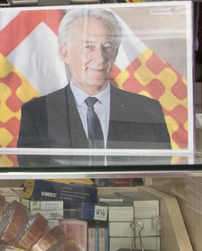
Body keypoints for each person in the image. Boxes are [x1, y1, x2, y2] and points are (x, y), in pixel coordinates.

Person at [16, 8, 171, 151]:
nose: (100, 58)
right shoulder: (37, 112)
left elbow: (158, 175)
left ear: (115, 53)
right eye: (89, 47)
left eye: (107, 47)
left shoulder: (148, 111)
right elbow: (34, 174)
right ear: (65, 53)